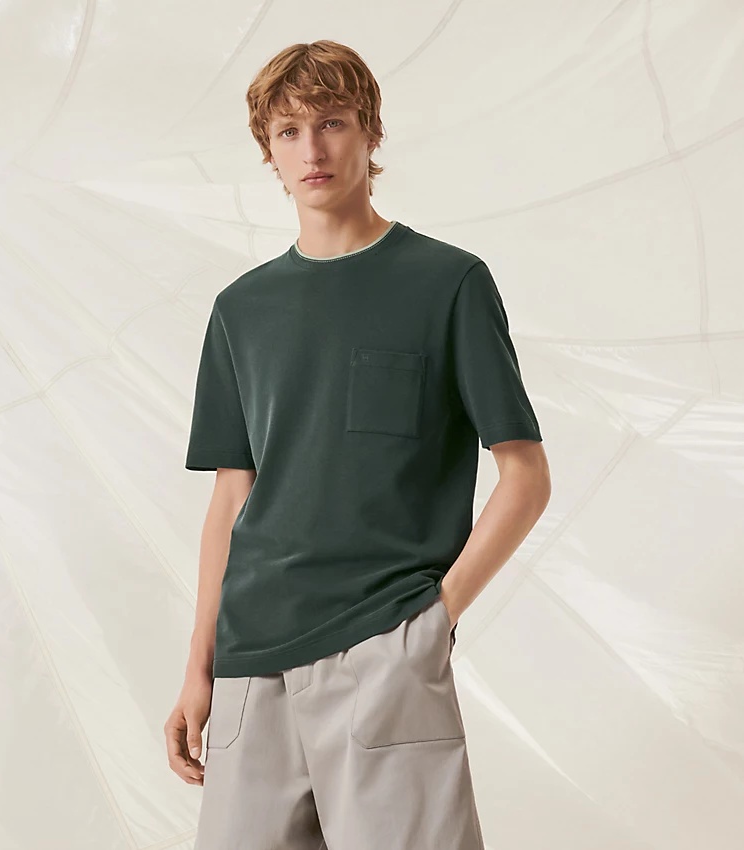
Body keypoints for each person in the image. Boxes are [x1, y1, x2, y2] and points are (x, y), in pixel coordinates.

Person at [164, 39, 551, 850]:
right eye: (289, 132)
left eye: (332, 123)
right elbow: (232, 497)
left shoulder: (447, 283)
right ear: (268, 151)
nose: (313, 149)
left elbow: (524, 475)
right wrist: (200, 666)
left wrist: (431, 621)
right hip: (249, 666)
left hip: (384, 647)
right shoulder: (242, 309)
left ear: (370, 132)